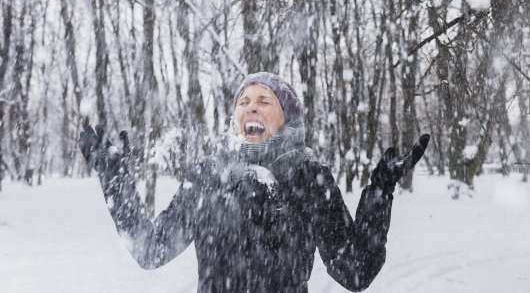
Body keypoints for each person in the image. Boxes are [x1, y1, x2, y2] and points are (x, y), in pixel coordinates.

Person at [79, 72, 429, 293]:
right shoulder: (208, 176)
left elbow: (356, 272)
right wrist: (114, 177)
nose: (251, 108)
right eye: (243, 102)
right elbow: (150, 250)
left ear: (286, 117)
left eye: (264, 101)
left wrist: (381, 191)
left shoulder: (308, 177)